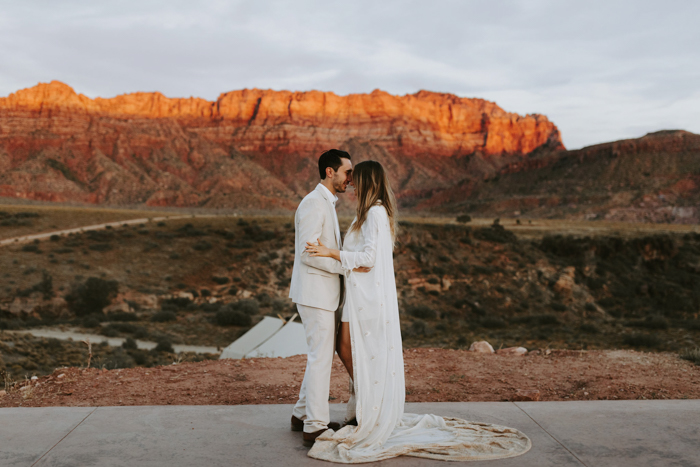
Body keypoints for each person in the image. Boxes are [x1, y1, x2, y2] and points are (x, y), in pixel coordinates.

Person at [303, 160, 532, 463]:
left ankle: (373, 404)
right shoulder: (371, 212)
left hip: (366, 297)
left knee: (346, 347)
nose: (352, 184)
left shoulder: (374, 212)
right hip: (358, 295)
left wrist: (330, 251)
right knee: (346, 347)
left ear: (368, 181)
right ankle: (368, 402)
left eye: (356, 179)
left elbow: (370, 258)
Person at [288, 149, 370, 447]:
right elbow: (308, 253)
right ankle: (315, 425)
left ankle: (301, 414)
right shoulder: (313, 204)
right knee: (320, 358)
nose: (351, 178)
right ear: (329, 172)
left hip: (323, 294)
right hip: (315, 294)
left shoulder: (325, 203)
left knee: (318, 356)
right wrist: (346, 265)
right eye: (348, 172)